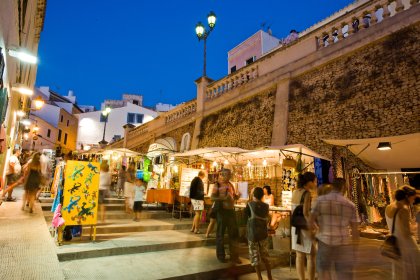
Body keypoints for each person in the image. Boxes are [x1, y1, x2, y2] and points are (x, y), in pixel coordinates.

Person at [309, 179, 360, 280]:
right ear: (343, 187)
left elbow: (310, 221)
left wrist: (314, 236)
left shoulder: (320, 201)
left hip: (324, 241)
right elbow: (355, 230)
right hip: (343, 244)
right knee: (344, 274)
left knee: (324, 273)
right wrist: (355, 250)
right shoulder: (350, 205)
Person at [384, 185, 419, 280]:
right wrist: (414, 227)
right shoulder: (403, 209)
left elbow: (393, 227)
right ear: (407, 197)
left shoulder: (388, 207)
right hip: (406, 245)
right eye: (413, 198)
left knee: (399, 272)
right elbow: (405, 232)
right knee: (410, 270)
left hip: (395, 244)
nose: (414, 201)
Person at [211, 168, 241, 264]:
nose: (230, 176)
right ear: (223, 175)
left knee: (233, 234)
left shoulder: (231, 184)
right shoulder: (217, 185)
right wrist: (223, 198)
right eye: (228, 174)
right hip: (222, 212)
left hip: (231, 212)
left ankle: (234, 256)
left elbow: (233, 197)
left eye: (230, 174)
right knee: (220, 234)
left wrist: (237, 196)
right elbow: (212, 197)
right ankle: (221, 256)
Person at [291, 171, 317, 280]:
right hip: (304, 226)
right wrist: (313, 226)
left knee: (299, 256)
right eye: (315, 181)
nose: (316, 184)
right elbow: (306, 213)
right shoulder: (307, 194)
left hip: (295, 226)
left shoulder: (295, 192)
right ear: (309, 182)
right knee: (311, 255)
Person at [245, 187, 273, 280]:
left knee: (255, 257)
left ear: (253, 195)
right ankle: (269, 277)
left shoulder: (249, 205)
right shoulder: (266, 206)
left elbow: (246, 216)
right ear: (262, 196)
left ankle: (260, 278)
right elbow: (267, 218)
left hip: (253, 235)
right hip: (263, 234)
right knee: (266, 257)